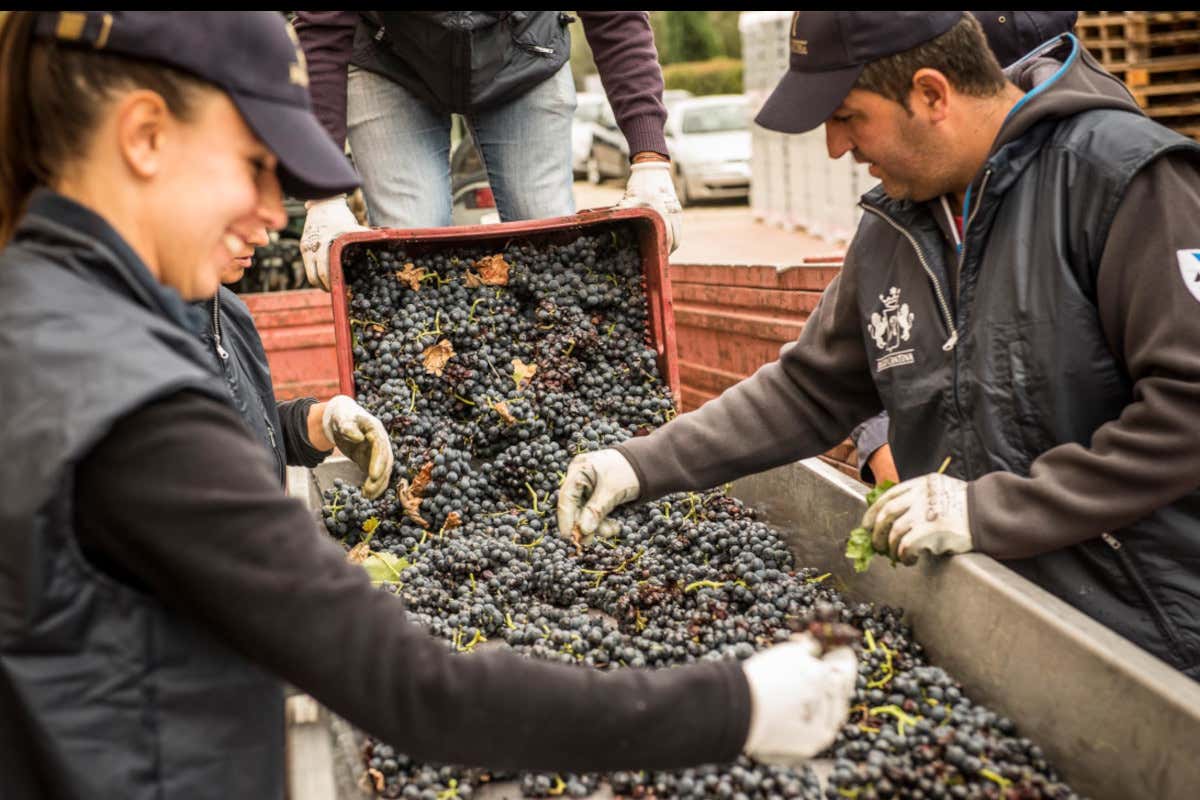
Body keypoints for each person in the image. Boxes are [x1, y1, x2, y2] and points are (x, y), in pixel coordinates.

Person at [0, 12, 857, 798]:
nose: (272, 212)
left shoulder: (55, 320)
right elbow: (411, 687)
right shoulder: (134, 405)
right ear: (145, 136)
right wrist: (734, 705)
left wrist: (306, 424)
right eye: (259, 167)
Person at [557, 11, 1200, 680]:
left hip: (1153, 640)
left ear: (930, 94)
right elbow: (808, 391)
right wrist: (639, 465)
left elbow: (1188, 412)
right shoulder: (894, 227)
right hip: (987, 627)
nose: (835, 147)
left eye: (847, 116)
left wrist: (989, 511)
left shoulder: (1122, 182)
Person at [848, 12, 1080, 487]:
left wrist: (985, 512)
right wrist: (877, 436)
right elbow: (828, 374)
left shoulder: (1108, 187)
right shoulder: (901, 208)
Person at [294, 11, 684, 292]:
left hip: (526, 49)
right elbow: (323, 30)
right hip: (388, 56)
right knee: (411, 256)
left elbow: (616, 19)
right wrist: (322, 191)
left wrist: (649, 157)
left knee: (550, 250)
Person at [205, 226, 393, 497]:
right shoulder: (145, 339)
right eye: (234, 218)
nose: (261, 237)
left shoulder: (228, 311)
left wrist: (325, 421)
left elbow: (247, 429)